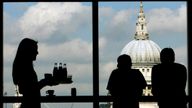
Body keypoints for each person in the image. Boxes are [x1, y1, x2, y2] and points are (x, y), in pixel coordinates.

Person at [12, 38, 57, 108]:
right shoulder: (25, 68)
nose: (37, 52)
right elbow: (24, 90)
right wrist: (44, 82)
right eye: (35, 50)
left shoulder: (23, 66)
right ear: (28, 51)